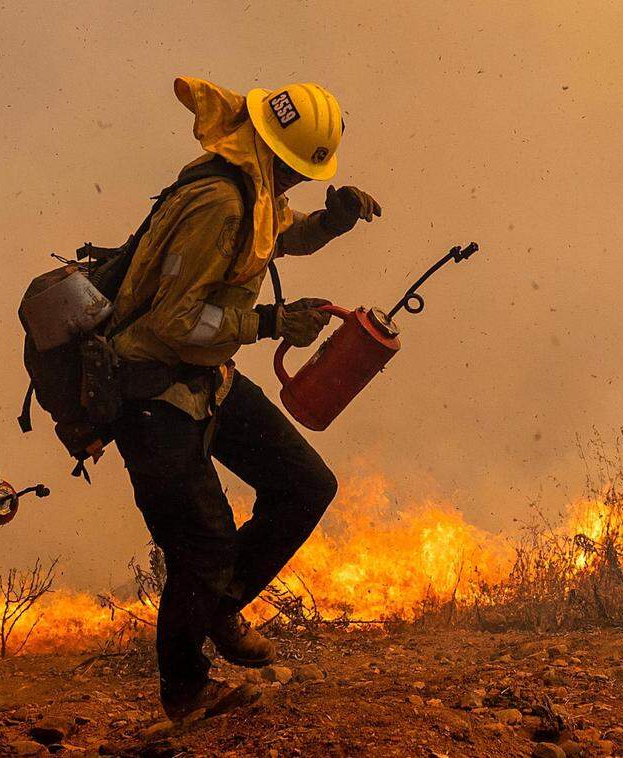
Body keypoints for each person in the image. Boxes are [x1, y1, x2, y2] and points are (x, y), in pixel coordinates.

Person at [109, 78, 382, 719]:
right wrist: (271, 323)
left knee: (303, 484)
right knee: (203, 545)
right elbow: (169, 324)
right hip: (151, 391)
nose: (300, 182)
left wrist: (333, 223)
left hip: (205, 377)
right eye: (303, 170)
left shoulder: (251, 185)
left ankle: (218, 607)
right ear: (278, 154)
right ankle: (186, 691)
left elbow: (279, 236)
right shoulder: (219, 202)